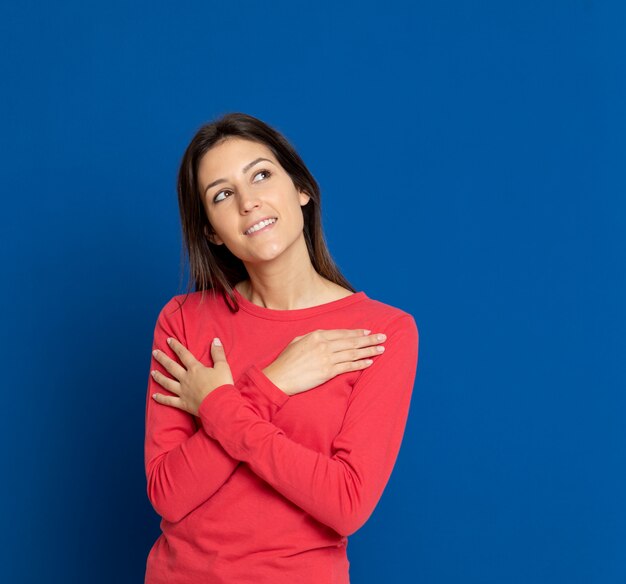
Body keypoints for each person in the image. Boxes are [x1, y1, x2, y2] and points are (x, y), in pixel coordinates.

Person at [143, 112, 419, 584]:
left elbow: (346, 504)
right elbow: (169, 493)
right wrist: (272, 383)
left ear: (301, 190)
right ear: (211, 229)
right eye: (223, 195)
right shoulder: (184, 320)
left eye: (262, 175)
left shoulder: (382, 332)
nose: (248, 203)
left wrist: (217, 405)